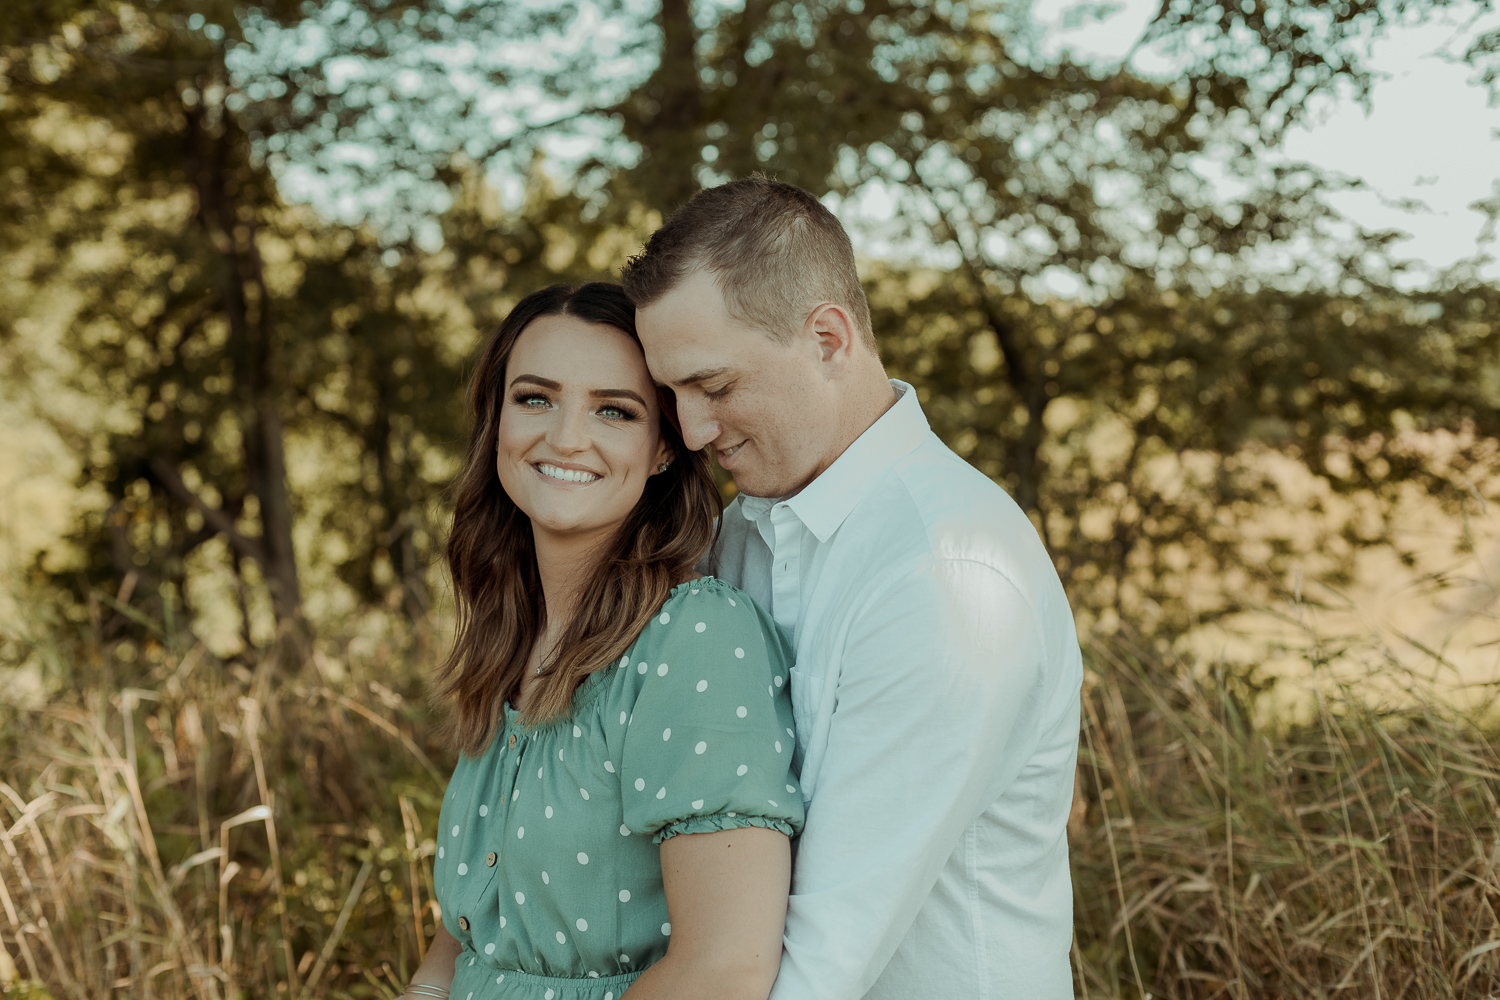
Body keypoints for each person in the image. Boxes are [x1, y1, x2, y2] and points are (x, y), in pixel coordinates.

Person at [624, 177, 1083, 999]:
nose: (689, 430)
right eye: (672, 395)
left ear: (829, 339)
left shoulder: (947, 573)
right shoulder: (741, 536)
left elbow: (820, 954)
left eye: (716, 387)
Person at [399, 282, 805, 1000]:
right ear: (497, 421)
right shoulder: (509, 643)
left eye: (613, 410)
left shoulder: (693, 640)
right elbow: (459, 945)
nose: (565, 437)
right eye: (535, 398)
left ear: (661, 451)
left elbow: (725, 970)